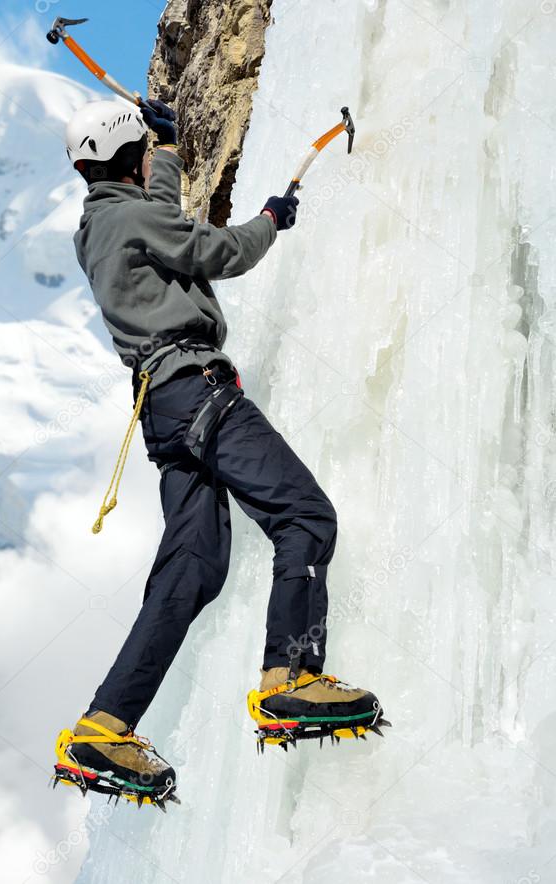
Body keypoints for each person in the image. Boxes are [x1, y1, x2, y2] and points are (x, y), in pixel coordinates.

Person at [52, 98, 385, 806]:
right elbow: (216, 252)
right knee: (303, 516)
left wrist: (165, 150)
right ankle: (291, 678)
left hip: (162, 413)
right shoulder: (136, 217)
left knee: (190, 571)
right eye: (143, 153)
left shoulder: (98, 226)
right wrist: (271, 219)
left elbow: (158, 218)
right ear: (125, 160)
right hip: (199, 391)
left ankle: (104, 724)